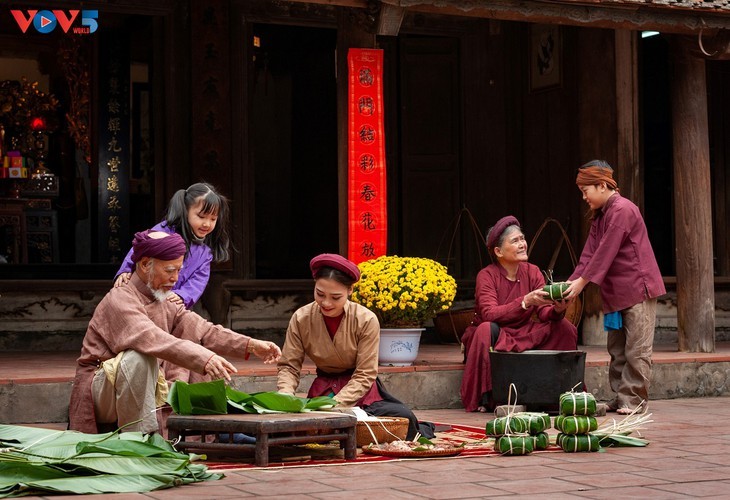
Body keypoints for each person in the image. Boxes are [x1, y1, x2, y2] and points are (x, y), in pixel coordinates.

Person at [68, 229, 281, 435]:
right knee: (141, 358)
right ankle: (138, 440)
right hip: (100, 392)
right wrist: (204, 358)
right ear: (144, 265)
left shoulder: (164, 299)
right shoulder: (119, 299)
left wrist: (251, 345)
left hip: (139, 388)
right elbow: (152, 338)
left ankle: (199, 433)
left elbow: (204, 329)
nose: (176, 278)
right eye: (170, 271)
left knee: (194, 346)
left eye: (179, 270)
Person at [276, 253, 433, 440]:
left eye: (335, 297)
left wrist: (336, 404)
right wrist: (285, 396)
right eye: (320, 294)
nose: (326, 303)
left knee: (405, 419)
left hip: (362, 393)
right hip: (324, 391)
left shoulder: (366, 319)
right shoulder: (301, 317)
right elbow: (289, 366)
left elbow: (365, 373)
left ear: (350, 290)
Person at [563, 160, 665, 415]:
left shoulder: (622, 209)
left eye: (585, 191)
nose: (584, 197)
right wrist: (568, 285)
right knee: (618, 350)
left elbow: (605, 252)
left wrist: (582, 283)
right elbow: (589, 255)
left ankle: (634, 400)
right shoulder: (601, 215)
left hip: (637, 288)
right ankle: (621, 396)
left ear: (601, 185)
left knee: (637, 350)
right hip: (617, 292)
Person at [460, 216, 579, 413]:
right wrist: (525, 301)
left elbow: (543, 312)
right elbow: (489, 313)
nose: (522, 244)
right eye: (515, 241)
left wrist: (558, 309)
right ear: (498, 251)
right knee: (484, 329)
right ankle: (489, 397)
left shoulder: (532, 271)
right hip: (496, 333)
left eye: (522, 239)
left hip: (521, 332)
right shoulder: (487, 275)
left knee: (564, 327)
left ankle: (557, 393)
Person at [114, 182, 231, 310]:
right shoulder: (164, 231)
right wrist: (125, 270)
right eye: (201, 216)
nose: (207, 224)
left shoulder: (204, 253)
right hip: (144, 296)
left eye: (213, 219)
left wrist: (182, 295)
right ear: (185, 211)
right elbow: (139, 248)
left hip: (173, 304)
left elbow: (198, 281)